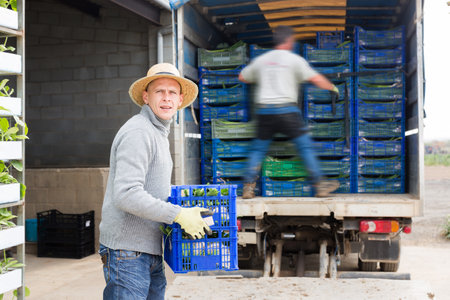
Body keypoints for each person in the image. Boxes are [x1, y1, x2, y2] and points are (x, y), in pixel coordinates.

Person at [99, 63, 211, 300]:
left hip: (147, 250)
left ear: (180, 100)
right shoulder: (139, 132)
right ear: (145, 97)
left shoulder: (157, 131)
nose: (166, 98)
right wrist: (177, 214)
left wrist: (182, 207)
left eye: (172, 92)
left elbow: (151, 187)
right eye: (159, 91)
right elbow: (127, 193)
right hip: (127, 253)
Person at [238, 25, 340, 199]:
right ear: (288, 41)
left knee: (258, 150)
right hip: (287, 111)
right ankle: (320, 185)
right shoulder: (294, 60)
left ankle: (248, 187)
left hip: (265, 112)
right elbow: (315, 78)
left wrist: (261, 78)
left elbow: (242, 77)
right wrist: (331, 87)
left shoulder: (262, 60)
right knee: (304, 146)